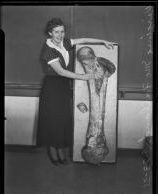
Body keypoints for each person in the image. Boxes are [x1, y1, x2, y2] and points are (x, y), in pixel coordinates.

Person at [37, 18, 114, 165]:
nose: (60, 35)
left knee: (63, 118)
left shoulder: (64, 43)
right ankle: (53, 151)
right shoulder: (47, 50)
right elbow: (60, 71)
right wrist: (84, 77)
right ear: (50, 33)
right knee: (54, 120)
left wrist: (103, 41)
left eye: (62, 31)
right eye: (56, 32)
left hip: (64, 86)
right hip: (52, 87)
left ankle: (60, 150)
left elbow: (84, 39)